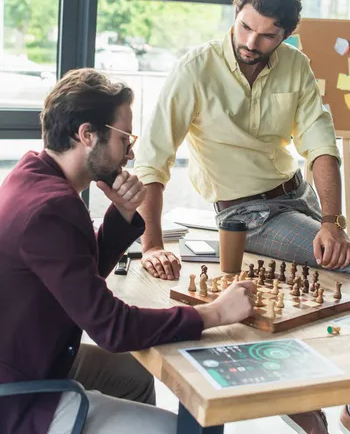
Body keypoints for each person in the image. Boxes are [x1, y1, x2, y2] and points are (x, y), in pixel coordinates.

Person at [134, 0, 350, 433]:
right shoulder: (195, 69)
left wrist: (331, 221)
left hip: (296, 195)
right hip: (243, 214)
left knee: (328, 274)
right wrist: (152, 242)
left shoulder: (295, 65)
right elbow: (153, 160)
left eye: (267, 34)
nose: (251, 42)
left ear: (286, 34)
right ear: (235, 15)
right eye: (244, 28)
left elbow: (321, 146)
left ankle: (317, 392)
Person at [0, 68, 256, 434]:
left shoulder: (32, 174)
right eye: (124, 138)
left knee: (135, 374)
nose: (131, 151)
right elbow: (112, 328)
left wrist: (121, 213)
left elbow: (77, 277)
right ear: (87, 135)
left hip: (32, 357)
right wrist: (214, 313)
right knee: (182, 429)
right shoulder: (49, 209)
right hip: (17, 396)